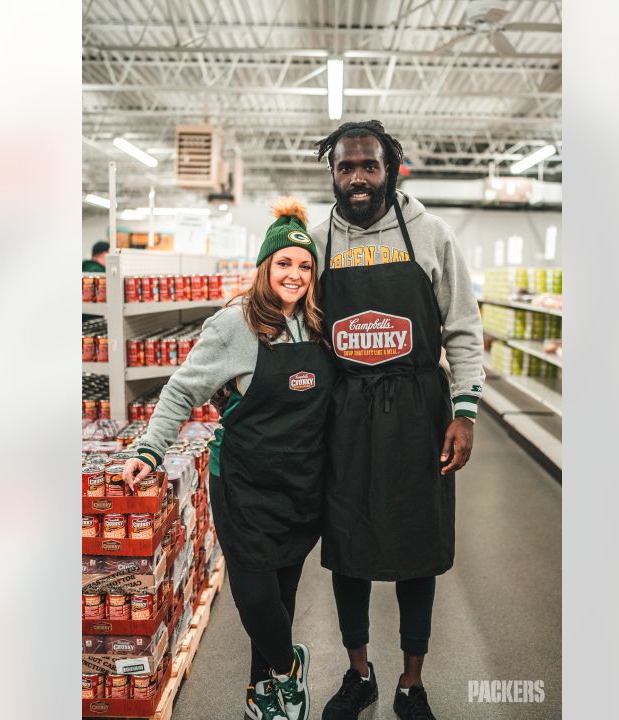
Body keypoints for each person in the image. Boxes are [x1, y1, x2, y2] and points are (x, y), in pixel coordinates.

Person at [123, 198, 332, 720]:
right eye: (284, 263)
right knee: (256, 595)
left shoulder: (318, 324)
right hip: (244, 482)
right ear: (265, 267)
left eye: (305, 265)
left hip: (300, 483)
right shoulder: (234, 324)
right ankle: (289, 667)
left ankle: (264, 695)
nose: (295, 274)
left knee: (283, 594)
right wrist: (150, 448)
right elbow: (179, 390)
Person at [308, 120, 484, 720]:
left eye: (369, 166)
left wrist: (465, 412)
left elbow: (463, 327)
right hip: (346, 414)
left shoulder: (431, 234)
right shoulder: (317, 240)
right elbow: (298, 332)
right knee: (348, 547)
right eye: (346, 168)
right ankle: (359, 673)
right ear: (333, 175)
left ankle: (412, 681)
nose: (357, 178)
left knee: (418, 546)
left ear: (391, 169)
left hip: (417, 411)